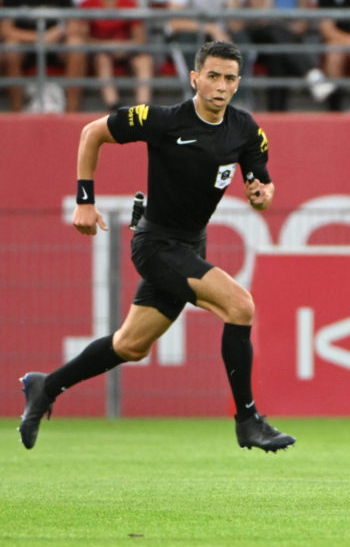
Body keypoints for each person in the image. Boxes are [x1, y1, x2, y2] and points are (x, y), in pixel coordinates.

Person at [17, 41, 294, 453]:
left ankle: (46, 386)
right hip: (156, 244)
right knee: (241, 306)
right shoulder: (163, 120)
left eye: (229, 78)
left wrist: (261, 195)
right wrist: (85, 200)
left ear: (238, 83)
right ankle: (248, 420)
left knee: (130, 345)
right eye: (213, 76)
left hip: (190, 246)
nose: (221, 86)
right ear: (194, 78)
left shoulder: (246, 130)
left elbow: (263, 188)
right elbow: (92, 133)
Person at [244, 0, 335, 111]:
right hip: (259, 42)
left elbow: (302, 24)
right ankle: (311, 72)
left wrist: (281, 28)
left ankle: (276, 114)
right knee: (272, 30)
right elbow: (261, 20)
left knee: (277, 56)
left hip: (285, 45)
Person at [1, 0, 87, 113]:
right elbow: (6, 29)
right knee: (11, 47)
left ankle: (72, 111)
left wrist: (58, 32)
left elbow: (75, 24)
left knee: (76, 44)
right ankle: (17, 111)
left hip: (55, 48)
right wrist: (40, 37)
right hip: (25, 49)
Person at [77, 0, 155, 112]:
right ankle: (113, 105)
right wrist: (107, 46)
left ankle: (143, 109)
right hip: (99, 53)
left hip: (127, 52)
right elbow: (83, 37)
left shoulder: (130, 3)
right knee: (102, 60)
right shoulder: (87, 4)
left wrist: (122, 47)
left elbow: (140, 38)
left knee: (145, 61)